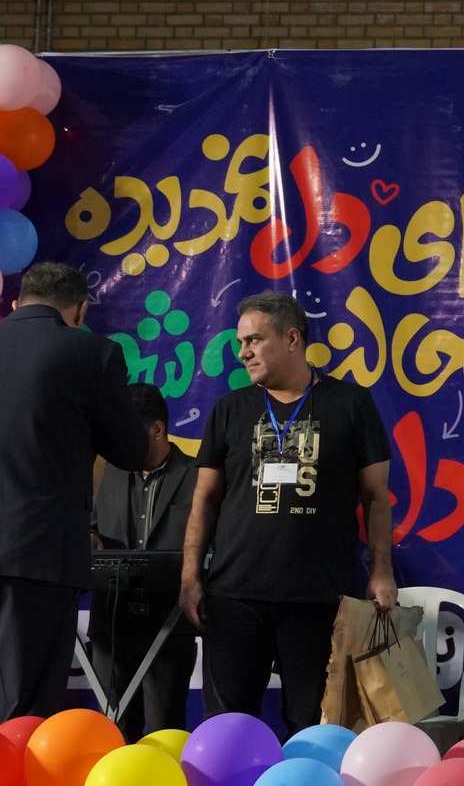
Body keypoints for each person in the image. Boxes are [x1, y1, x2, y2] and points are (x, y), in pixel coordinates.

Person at [180, 290, 396, 739]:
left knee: (312, 729)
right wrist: (190, 576)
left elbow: (377, 497)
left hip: (317, 598)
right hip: (235, 596)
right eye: (241, 343)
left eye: (254, 340)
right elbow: (205, 499)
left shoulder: (351, 404)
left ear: (292, 339)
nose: (243, 353)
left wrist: (381, 572)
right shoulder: (230, 409)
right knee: (227, 729)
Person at [0, 261, 149, 720]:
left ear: (17, 302)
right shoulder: (91, 353)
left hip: (31, 551)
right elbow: (132, 450)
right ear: (80, 309)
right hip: (38, 553)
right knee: (24, 704)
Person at [90, 383, 200, 741]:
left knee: (164, 731)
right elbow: (92, 524)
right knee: (114, 730)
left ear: (157, 429)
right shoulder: (106, 471)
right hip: (111, 622)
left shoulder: (197, 475)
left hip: (169, 623)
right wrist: (89, 536)